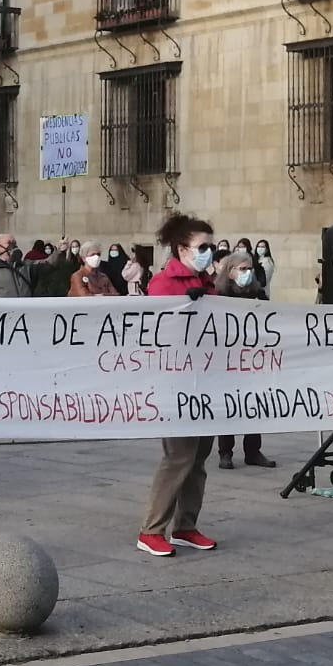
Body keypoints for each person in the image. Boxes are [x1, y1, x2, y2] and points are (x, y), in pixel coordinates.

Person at [137, 214, 222, 558]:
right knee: (178, 457)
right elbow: (155, 333)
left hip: (208, 381)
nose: (208, 252)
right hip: (176, 383)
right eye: (202, 247)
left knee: (199, 458)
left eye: (211, 246)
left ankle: (186, 525)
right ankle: (152, 530)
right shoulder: (163, 284)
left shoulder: (208, 283)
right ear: (182, 248)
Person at [211, 249, 277, 470]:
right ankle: (225, 452)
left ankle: (253, 450)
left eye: (249, 269)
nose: (247, 273)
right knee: (230, 403)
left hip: (252, 357)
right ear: (230, 272)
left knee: (254, 403)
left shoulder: (257, 294)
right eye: (242, 269)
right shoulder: (219, 295)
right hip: (229, 357)